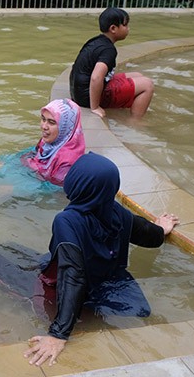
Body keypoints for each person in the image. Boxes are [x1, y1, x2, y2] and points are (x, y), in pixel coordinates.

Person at [24, 153, 179, 367]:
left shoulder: (66, 220)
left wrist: (58, 334)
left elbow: (73, 276)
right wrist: (161, 229)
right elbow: (147, 234)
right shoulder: (116, 212)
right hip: (111, 283)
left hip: (74, 287)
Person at [69, 7, 154, 119]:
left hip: (79, 92)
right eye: (125, 25)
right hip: (87, 97)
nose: (128, 29)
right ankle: (135, 121)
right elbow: (96, 77)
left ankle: (129, 104)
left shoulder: (96, 41)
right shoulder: (108, 50)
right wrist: (95, 107)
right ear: (113, 28)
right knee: (148, 85)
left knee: (138, 76)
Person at [20, 98, 85, 186]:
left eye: (51, 122)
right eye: (43, 119)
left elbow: (53, 191)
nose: (44, 126)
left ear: (65, 127)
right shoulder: (48, 141)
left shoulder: (66, 163)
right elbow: (33, 153)